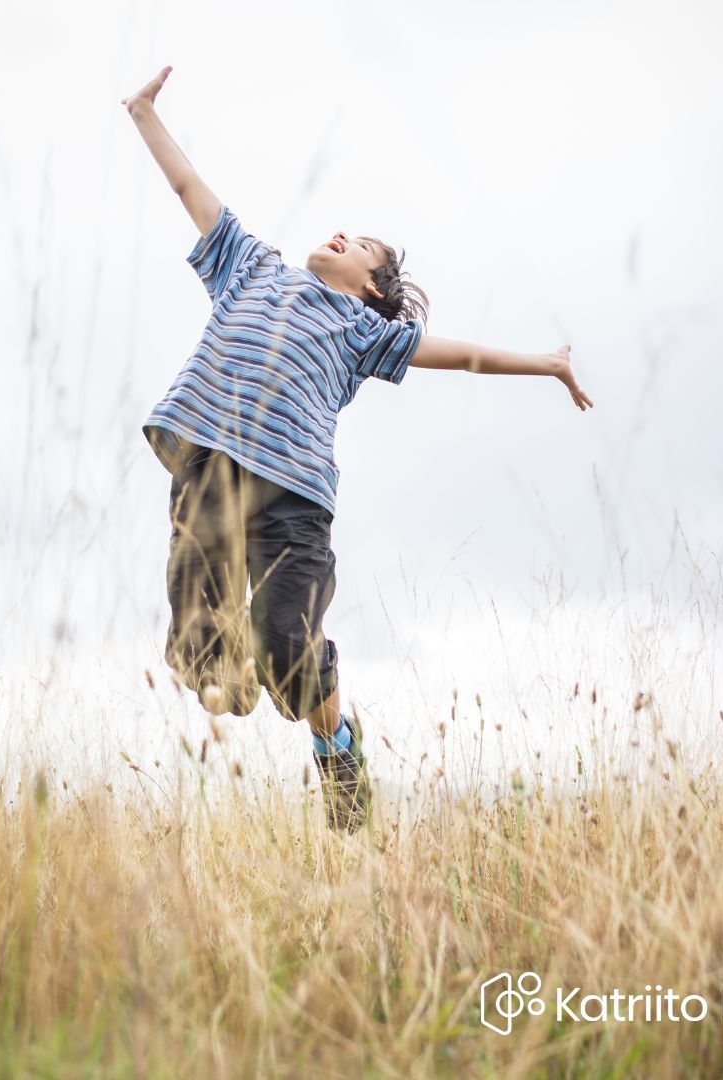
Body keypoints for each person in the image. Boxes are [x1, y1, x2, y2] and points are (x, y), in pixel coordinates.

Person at [122, 66, 593, 835]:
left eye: (360, 245)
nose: (340, 234)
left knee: (285, 645)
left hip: (294, 506)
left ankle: (337, 749)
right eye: (345, 229)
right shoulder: (252, 266)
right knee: (201, 665)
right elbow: (190, 191)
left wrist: (547, 363)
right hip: (208, 474)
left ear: (371, 289)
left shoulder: (364, 332)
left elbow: (463, 355)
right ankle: (228, 678)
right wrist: (143, 114)